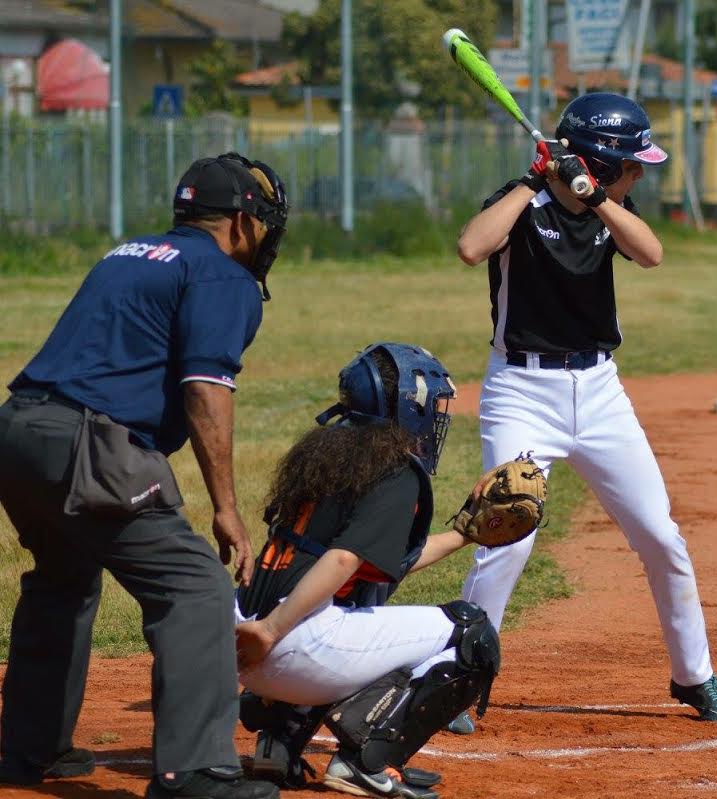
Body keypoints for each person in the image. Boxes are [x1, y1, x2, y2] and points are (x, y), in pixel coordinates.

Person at [0, 153, 289, 799]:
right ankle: (192, 773)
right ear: (242, 221)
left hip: (18, 431)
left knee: (62, 581)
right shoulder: (220, 273)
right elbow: (206, 389)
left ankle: (28, 751)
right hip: (87, 443)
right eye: (264, 223)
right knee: (195, 592)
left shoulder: (129, 251)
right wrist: (226, 507)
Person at [452, 92, 717, 730]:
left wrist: (597, 195)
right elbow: (472, 247)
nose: (640, 175)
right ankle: (458, 677)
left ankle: (694, 677)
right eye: (632, 165)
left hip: (600, 392)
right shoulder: (520, 204)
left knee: (661, 537)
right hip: (522, 394)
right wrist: (536, 180)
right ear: (605, 160)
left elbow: (652, 253)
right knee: (506, 534)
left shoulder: (610, 209)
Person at [234, 343, 500, 799]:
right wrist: (274, 632)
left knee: (362, 599)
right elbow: (343, 560)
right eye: (431, 405)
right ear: (404, 407)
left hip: (244, 635)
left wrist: (464, 534)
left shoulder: (327, 451)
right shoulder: (393, 469)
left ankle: (278, 743)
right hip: (284, 642)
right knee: (470, 633)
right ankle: (366, 761)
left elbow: (378, 565)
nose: (436, 417)